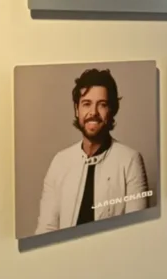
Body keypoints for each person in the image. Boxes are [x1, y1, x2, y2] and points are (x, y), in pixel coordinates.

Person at [36, 69, 148, 233]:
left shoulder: (130, 160)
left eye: (102, 104)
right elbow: (46, 230)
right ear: (77, 109)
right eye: (86, 104)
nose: (93, 112)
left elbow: (138, 232)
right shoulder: (59, 162)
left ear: (112, 110)